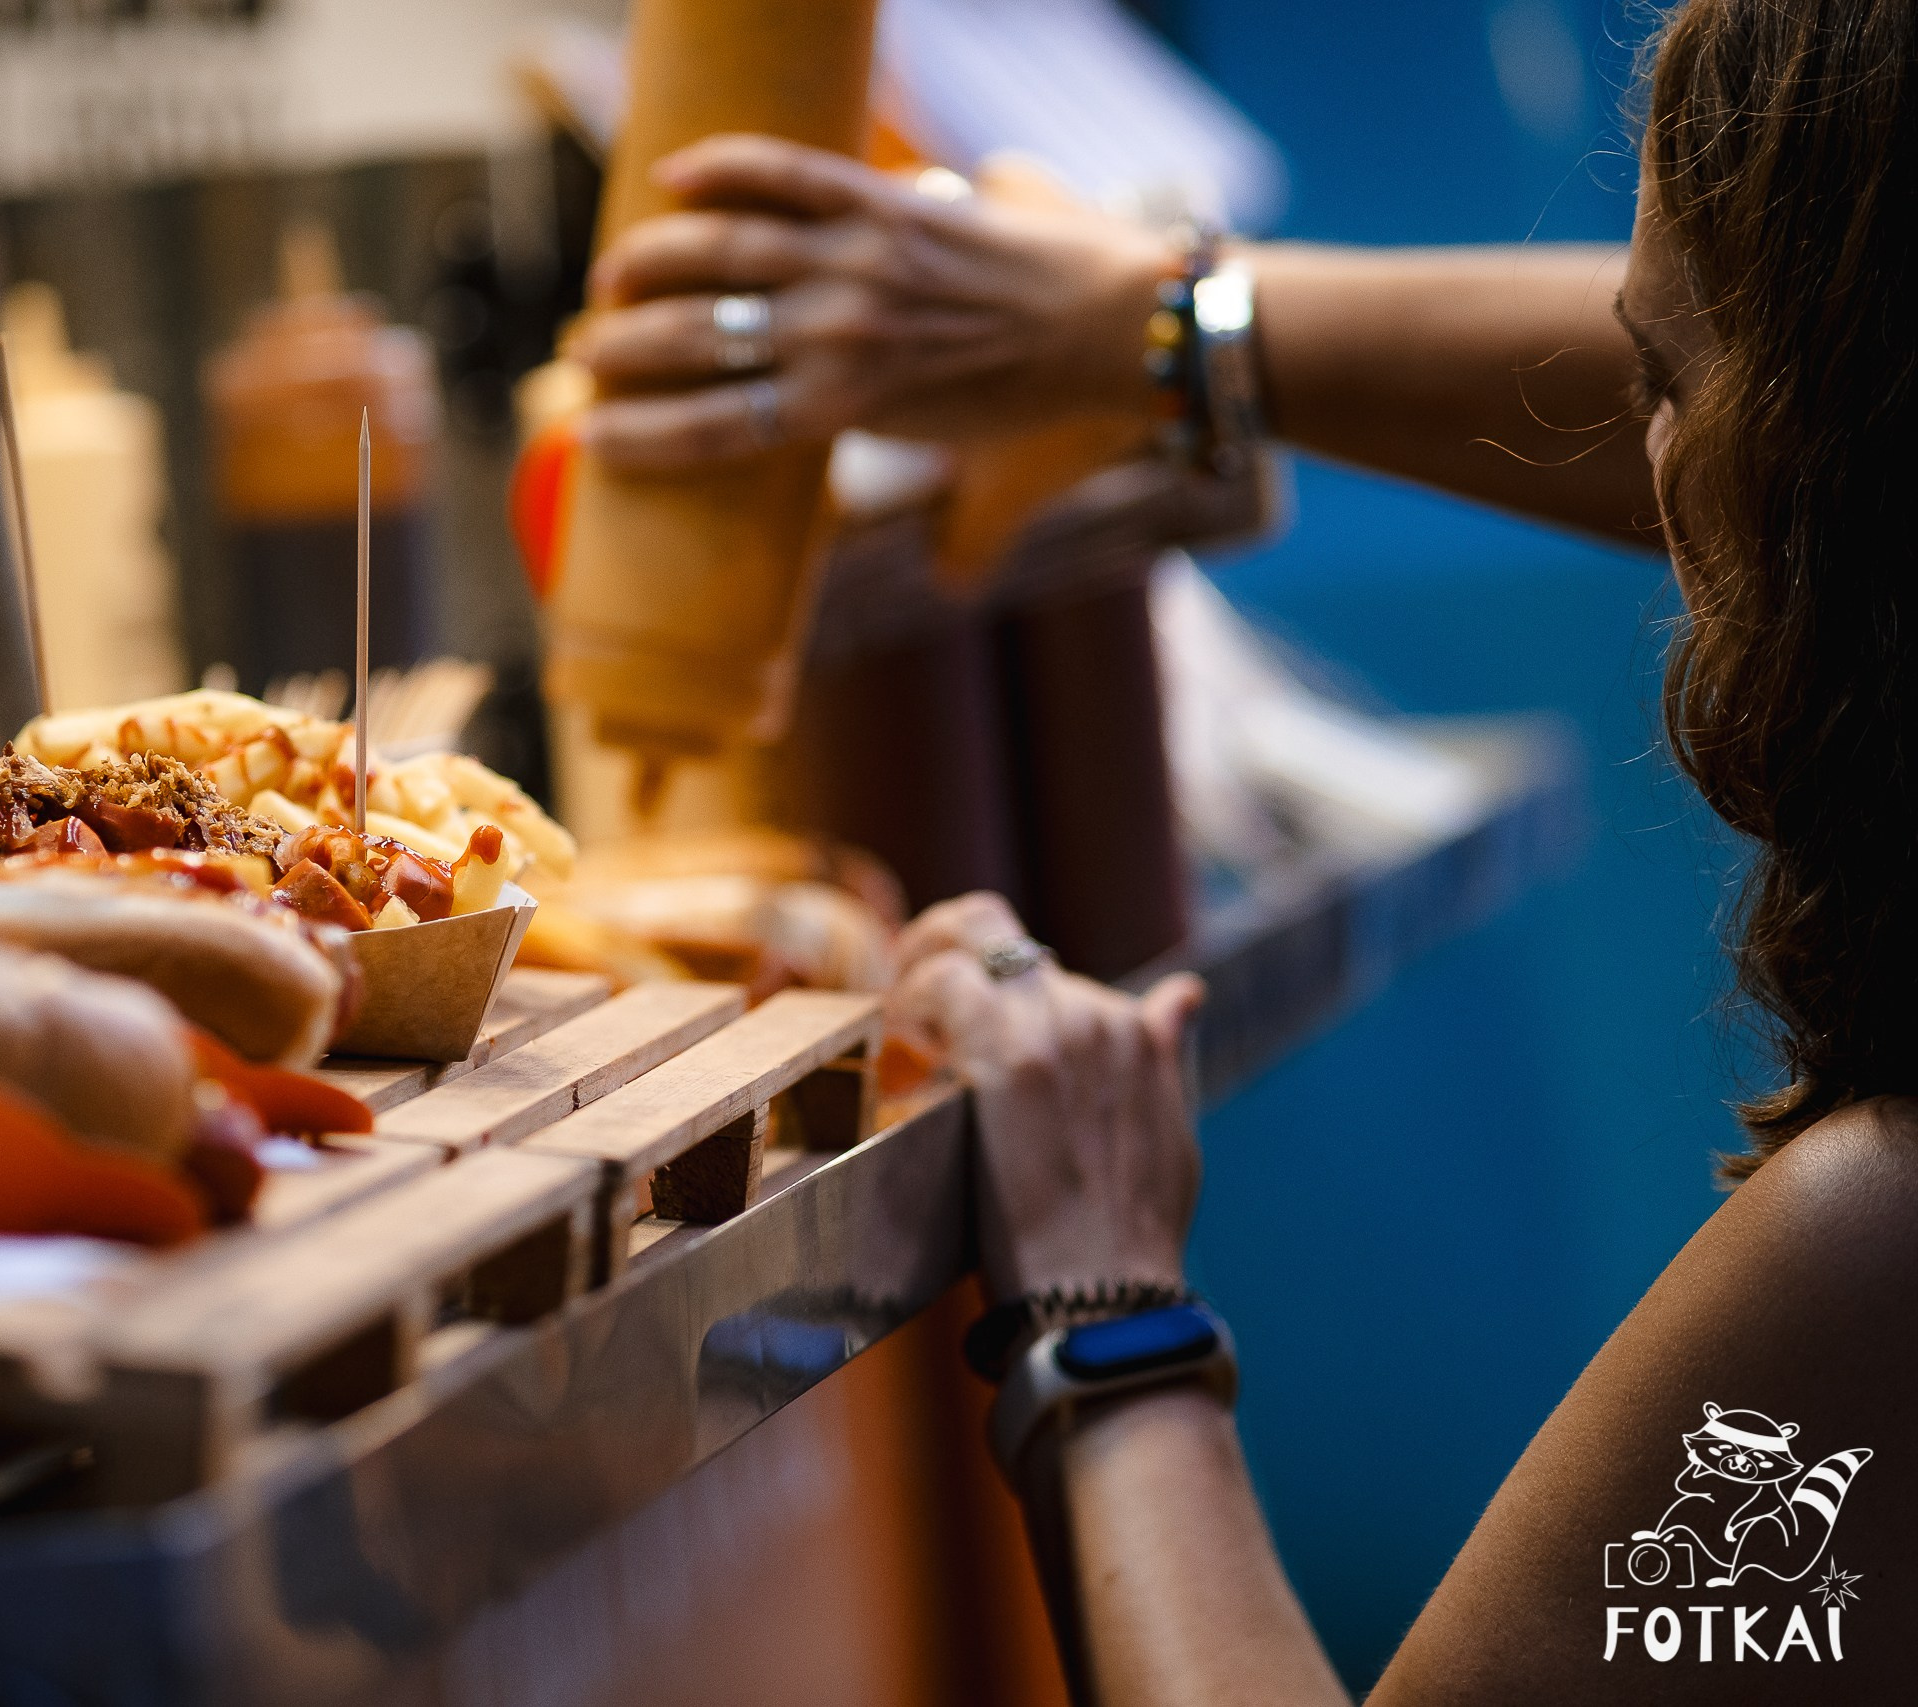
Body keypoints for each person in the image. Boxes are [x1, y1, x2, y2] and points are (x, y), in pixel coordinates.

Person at [578, 0, 1918, 1698]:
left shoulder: (1878, 1241)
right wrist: (1160, 327)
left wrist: (1108, 1316)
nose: (1649, 473)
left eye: (1655, 388)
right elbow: (1797, 364)